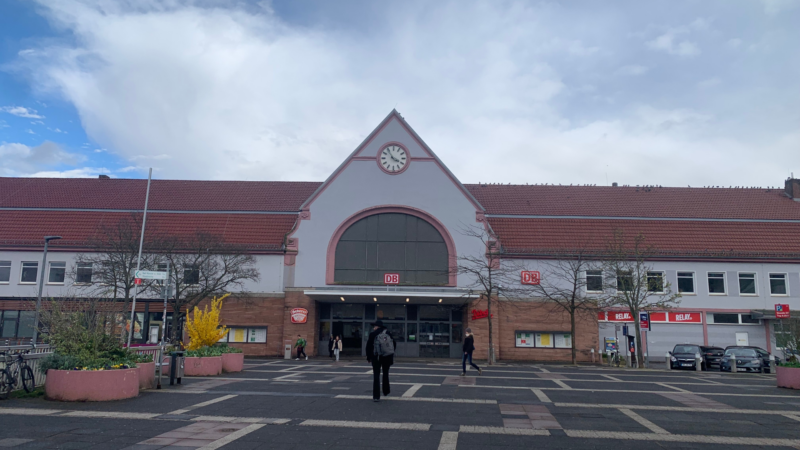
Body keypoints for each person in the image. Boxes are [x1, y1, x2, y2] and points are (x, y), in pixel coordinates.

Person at [366, 319, 395, 402]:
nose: (374, 328)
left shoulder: (373, 334)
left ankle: (376, 396)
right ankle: (386, 391)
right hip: (387, 357)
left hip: (376, 357)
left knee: (376, 375)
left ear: (376, 327)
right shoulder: (388, 333)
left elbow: (368, 347)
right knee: (385, 374)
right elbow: (393, 345)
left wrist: (369, 357)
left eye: (374, 326)